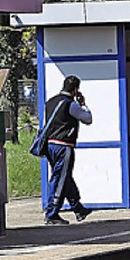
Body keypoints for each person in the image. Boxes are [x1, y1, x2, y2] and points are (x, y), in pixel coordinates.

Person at [43, 75, 93, 225]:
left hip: (50, 145)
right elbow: (87, 119)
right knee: (60, 179)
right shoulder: (70, 104)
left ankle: (78, 208)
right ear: (76, 89)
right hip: (64, 146)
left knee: (64, 176)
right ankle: (52, 213)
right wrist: (83, 104)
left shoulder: (50, 102)